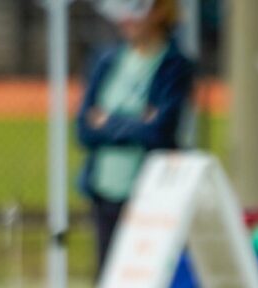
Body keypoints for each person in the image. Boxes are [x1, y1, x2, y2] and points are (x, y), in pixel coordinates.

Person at [76, 0, 195, 273]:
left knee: (148, 277)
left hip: (150, 193)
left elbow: (159, 131)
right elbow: (84, 129)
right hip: (105, 192)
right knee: (107, 278)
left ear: (159, 12)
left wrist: (108, 122)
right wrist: (135, 123)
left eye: (138, 9)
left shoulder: (173, 65)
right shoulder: (106, 61)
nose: (127, 19)